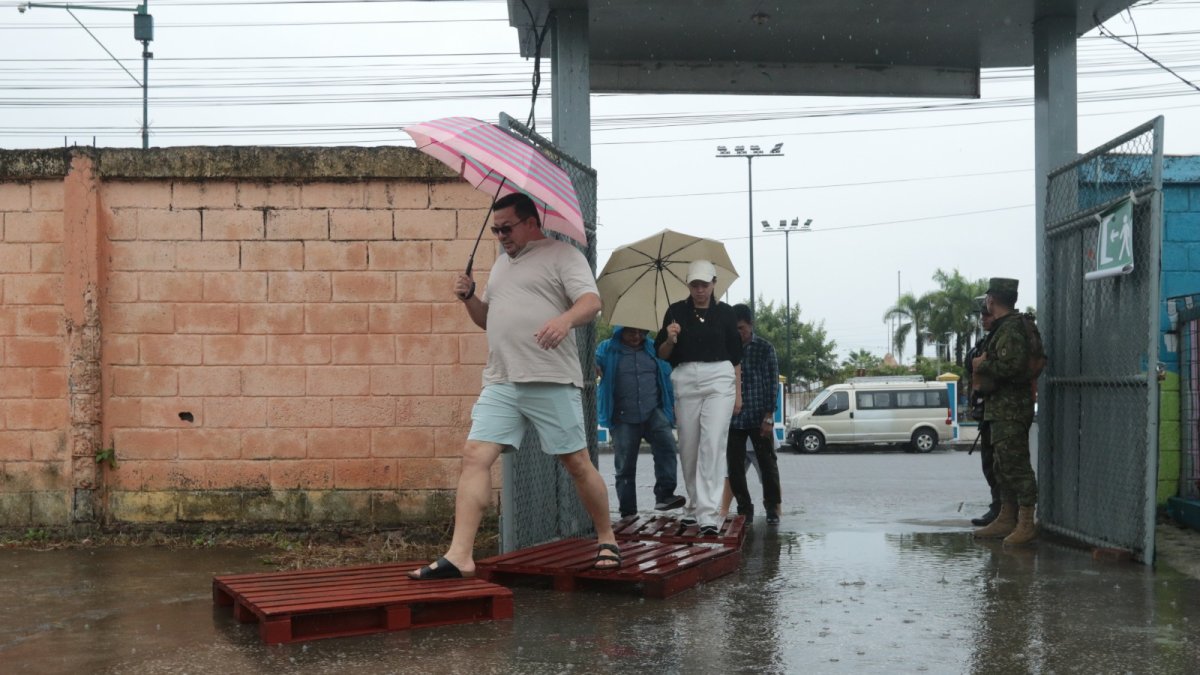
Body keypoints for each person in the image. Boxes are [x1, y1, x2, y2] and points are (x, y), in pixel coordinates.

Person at [408, 192, 620, 579]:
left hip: (550, 378)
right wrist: (469, 298)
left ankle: (607, 538)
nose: (500, 236)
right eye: (495, 230)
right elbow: (486, 319)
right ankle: (460, 556)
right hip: (501, 379)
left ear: (530, 222)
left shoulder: (563, 255)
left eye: (506, 228)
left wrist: (564, 321)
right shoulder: (501, 265)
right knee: (474, 455)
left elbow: (591, 302)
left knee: (576, 463)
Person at [654, 260, 742, 537]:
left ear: (714, 283)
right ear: (688, 285)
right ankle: (693, 506)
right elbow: (663, 354)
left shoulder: (726, 313)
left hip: (719, 377)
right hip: (685, 377)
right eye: (695, 284)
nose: (700, 290)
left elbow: (736, 357)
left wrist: (738, 394)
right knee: (689, 447)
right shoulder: (676, 311)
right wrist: (670, 339)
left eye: (704, 284)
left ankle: (709, 513)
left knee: (712, 443)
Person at [971, 277, 1039, 546]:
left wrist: (982, 365)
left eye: (987, 299)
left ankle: (1026, 523)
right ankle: (1006, 517)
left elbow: (1013, 367)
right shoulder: (1003, 328)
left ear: (992, 300)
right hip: (1000, 409)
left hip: (1011, 410)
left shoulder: (1011, 329)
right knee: (1002, 466)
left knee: (1016, 466)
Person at [595, 326, 685, 517]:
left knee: (667, 447)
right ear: (620, 331)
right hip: (622, 415)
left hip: (653, 411)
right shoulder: (607, 349)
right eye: (631, 332)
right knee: (625, 465)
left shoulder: (654, 348)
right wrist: (595, 367)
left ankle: (665, 495)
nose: (636, 336)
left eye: (641, 332)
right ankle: (628, 511)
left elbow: (667, 375)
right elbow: (595, 363)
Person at [725, 303, 783, 525]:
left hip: (759, 417)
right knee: (735, 469)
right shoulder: (726, 349)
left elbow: (772, 383)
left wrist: (769, 417)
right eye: (734, 329)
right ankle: (744, 509)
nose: (738, 333)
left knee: (768, 466)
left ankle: (772, 508)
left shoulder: (765, 348)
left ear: (750, 325)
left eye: (741, 328)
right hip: (733, 419)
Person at [965, 295, 1000, 526]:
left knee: (1001, 465)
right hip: (988, 411)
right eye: (981, 316)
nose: (982, 319)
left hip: (1000, 411)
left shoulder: (1002, 339)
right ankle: (998, 508)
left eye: (986, 315)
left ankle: (1003, 511)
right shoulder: (986, 341)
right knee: (989, 463)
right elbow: (971, 365)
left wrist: (980, 364)